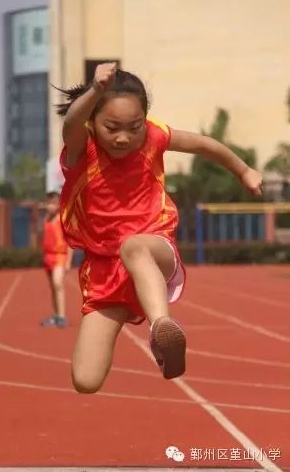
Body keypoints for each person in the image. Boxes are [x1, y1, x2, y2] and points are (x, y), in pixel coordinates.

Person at [56, 63, 262, 392]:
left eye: (134, 127)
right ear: (93, 124)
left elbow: (203, 144)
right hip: (104, 269)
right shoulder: (83, 149)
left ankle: (161, 327)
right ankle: (155, 339)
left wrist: (244, 171)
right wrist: (95, 89)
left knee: (133, 246)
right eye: (112, 127)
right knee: (85, 380)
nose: (124, 137)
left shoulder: (154, 137)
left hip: (153, 248)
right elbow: (70, 123)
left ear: (145, 121)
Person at [40, 191, 74, 328]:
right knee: (53, 287)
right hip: (48, 256)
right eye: (48, 203)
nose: (50, 206)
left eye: (53, 204)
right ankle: (55, 315)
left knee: (57, 283)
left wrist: (69, 261)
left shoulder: (63, 219)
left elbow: (70, 240)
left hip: (60, 256)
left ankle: (61, 316)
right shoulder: (46, 219)